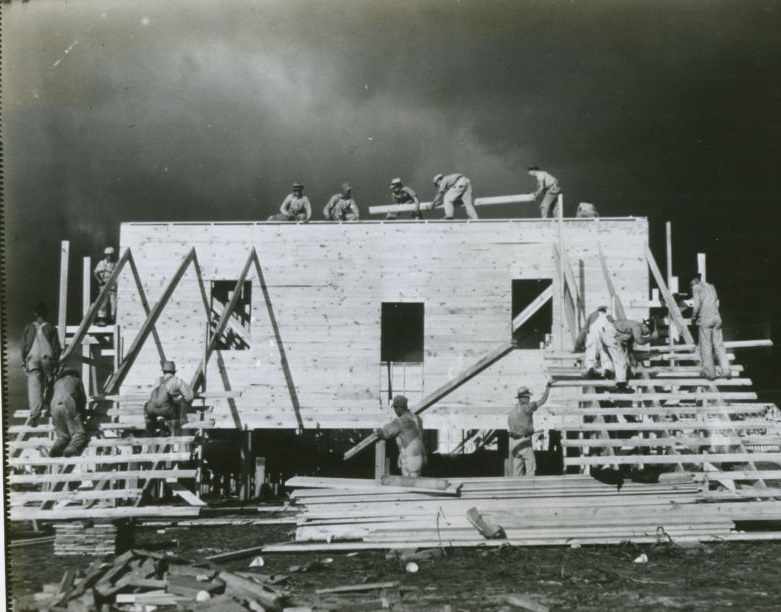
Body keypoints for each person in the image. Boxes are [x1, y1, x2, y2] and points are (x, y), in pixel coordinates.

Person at [21, 302, 61, 427]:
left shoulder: (28, 327)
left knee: (34, 388)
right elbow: (56, 347)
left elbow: (23, 346)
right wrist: (56, 362)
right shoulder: (51, 327)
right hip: (47, 358)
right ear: (46, 313)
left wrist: (24, 362)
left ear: (35, 313)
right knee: (51, 383)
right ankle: (51, 410)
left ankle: (34, 415)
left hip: (32, 359)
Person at [508, 380, 553, 477]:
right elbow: (543, 400)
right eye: (527, 397)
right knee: (531, 470)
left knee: (517, 473)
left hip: (514, 444)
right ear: (522, 398)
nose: (529, 399)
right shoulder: (527, 408)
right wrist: (548, 387)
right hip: (524, 442)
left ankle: (517, 491)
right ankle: (529, 490)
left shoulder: (512, 411)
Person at [690, 274, 731, 380]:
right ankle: (726, 370)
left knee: (706, 346)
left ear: (694, 280)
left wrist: (693, 318)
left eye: (691, 283)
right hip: (717, 318)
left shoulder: (696, 287)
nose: (691, 286)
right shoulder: (711, 286)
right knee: (719, 345)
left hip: (706, 319)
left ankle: (710, 373)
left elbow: (696, 306)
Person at [374, 395, 426, 477]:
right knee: (416, 484)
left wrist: (378, 431)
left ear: (398, 408)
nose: (395, 411)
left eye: (395, 409)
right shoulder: (417, 418)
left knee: (409, 485)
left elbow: (386, 433)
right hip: (421, 457)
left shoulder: (401, 421)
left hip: (410, 460)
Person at [602, 318, 658, 392]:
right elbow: (639, 341)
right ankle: (621, 386)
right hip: (610, 335)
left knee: (622, 357)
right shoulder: (637, 327)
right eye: (647, 332)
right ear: (645, 326)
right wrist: (652, 338)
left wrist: (632, 358)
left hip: (608, 333)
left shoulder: (633, 327)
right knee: (621, 361)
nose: (646, 334)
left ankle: (612, 379)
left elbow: (628, 345)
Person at [143, 360, 194, 436]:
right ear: (174, 372)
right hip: (167, 410)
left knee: (152, 420)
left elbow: (154, 396)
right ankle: (172, 434)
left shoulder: (158, 380)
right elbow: (189, 396)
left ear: (163, 372)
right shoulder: (176, 381)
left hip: (151, 411)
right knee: (177, 412)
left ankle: (154, 433)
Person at [49, 369, 88, 457]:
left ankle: (56, 449)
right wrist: (83, 413)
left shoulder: (57, 382)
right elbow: (82, 398)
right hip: (68, 403)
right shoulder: (77, 380)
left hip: (54, 406)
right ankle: (71, 449)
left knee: (62, 435)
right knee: (79, 433)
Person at [576, 306, 615, 379]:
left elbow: (583, 331)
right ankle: (607, 370)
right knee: (606, 357)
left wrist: (577, 346)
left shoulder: (592, 315)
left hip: (592, 337)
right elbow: (614, 329)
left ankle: (591, 369)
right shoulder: (609, 317)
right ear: (605, 310)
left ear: (597, 310)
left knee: (590, 356)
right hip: (604, 336)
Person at [94, 246, 118, 324]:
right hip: (104, 286)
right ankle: (102, 320)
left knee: (113, 303)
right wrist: (99, 280)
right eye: (108, 254)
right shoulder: (102, 263)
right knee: (102, 303)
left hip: (113, 286)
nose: (109, 256)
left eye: (111, 254)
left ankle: (112, 319)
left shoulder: (116, 264)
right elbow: (95, 272)